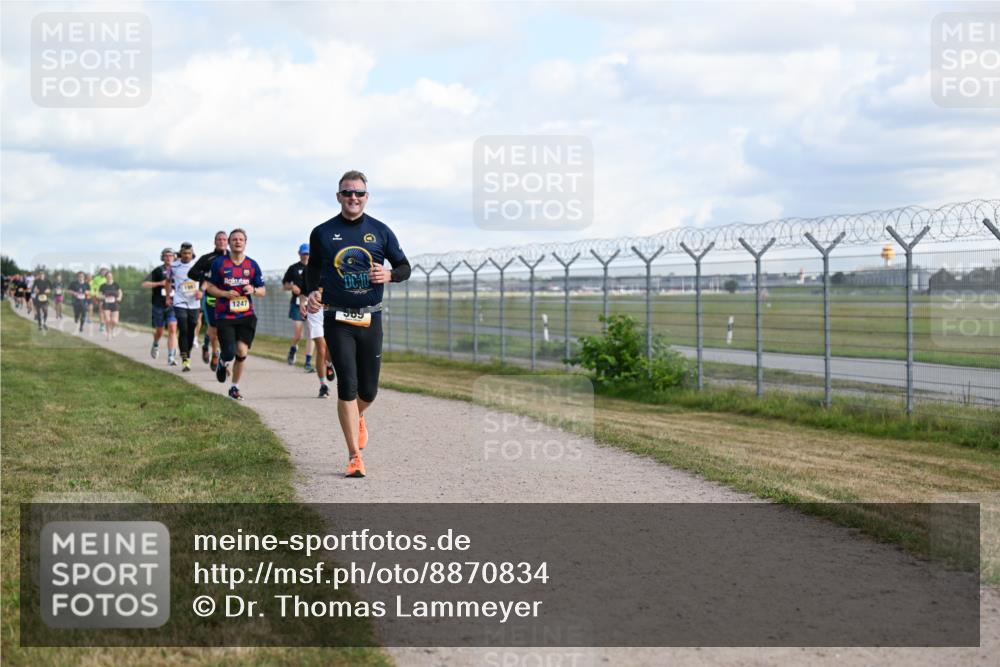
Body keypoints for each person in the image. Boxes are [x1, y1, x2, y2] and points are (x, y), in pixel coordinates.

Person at [306, 170, 411, 477]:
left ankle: (357, 416)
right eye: (347, 193)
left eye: (359, 193)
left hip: (371, 316)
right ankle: (354, 456)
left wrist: (390, 274)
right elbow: (313, 269)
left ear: (367, 197)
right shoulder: (323, 232)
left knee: (369, 391)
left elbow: (404, 266)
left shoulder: (381, 231)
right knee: (347, 386)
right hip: (337, 317)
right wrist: (313, 291)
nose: (353, 198)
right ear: (338, 196)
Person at [207, 229, 265, 400]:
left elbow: (262, 290)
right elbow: (209, 287)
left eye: (241, 239)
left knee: (241, 351)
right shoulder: (219, 263)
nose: (238, 242)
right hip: (225, 316)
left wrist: (253, 289)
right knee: (229, 352)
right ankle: (223, 363)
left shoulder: (252, 265)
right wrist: (224, 294)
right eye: (234, 239)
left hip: (246, 315)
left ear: (245, 242)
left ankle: (234, 387)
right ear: (229, 243)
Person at [188, 231, 229, 371]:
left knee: (226, 328)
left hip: (228, 297)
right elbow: (191, 273)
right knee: (214, 328)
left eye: (224, 239)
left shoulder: (233, 257)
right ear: (215, 242)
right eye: (219, 239)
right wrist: (205, 276)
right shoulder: (207, 258)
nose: (222, 242)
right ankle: (216, 354)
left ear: (228, 242)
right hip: (211, 297)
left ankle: (208, 346)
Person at [141, 248, 179, 365]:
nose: (168, 258)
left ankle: (171, 357)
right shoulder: (158, 270)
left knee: (172, 329)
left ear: (174, 257)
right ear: (162, 257)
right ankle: (156, 343)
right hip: (158, 305)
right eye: (166, 256)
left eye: (171, 255)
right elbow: (144, 284)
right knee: (160, 331)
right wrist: (159, 283)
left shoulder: (179, 270)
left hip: (173, 305)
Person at [171, 242, 201, 372]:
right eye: (184, 253)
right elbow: (168, 280)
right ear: (180, 254)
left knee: (191, 327)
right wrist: (168, 295)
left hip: (194, 301)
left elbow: (205, 280)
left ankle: (187, 352)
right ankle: (185, 358)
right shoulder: (174, 266)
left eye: (189, 253)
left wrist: (202, 291)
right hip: (179, 300)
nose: (187, 256)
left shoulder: (197, 265)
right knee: (183, 326)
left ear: (192, 254)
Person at [283, 244, 311, 368]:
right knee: (298, 334)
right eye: (304, 253)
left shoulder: (315, 268)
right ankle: (293, 349)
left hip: (312, 305)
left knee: (311, 334)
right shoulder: (293, 268)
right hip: (297, 304)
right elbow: (285, 285)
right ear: (299, 253)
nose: (306, 256)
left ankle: (308, 361)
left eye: (308, 253)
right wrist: (292, 287)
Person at [99, 271, 123, 340]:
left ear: (112, 277)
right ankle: (108, 334)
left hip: (114, 303)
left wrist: (119, 297)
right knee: (107, 320)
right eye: (108, 276)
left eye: (110, 276)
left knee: (115, 321)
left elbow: (120, 292)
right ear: (105, 277)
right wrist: (102, 296)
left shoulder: (116, 284)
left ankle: (111, 330)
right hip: (106, 304)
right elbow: (99, 295)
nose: (109, 277)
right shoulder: (103, 286)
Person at [91, 267, 108, 331]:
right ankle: (102, 324)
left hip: (107, 296)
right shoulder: (96, 278)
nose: (103, 273)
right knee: (101, 310)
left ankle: (107, 322)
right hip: (99, 295)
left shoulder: (108, 278)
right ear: (100, 272)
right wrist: (94, 294)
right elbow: (92, 287)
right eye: (102, 271)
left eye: (105, 272)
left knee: (107, 311)